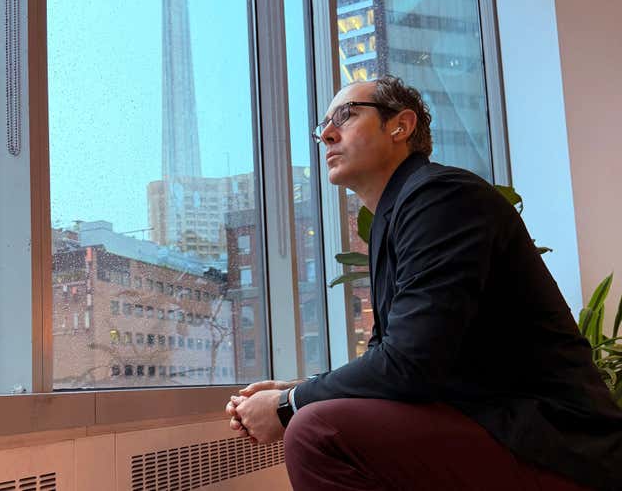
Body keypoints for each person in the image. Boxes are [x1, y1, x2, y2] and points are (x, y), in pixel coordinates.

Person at [225, 76, 622, 491]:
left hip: (556, 443)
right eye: (323, 125)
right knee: (320, 419)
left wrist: (290, 405)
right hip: (491, 424)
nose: (326, 133)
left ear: (401, 125)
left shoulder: (441, 197)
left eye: (346, 115)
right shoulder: (394, 218)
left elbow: (409, 365)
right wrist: (300, 387)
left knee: (316, 431)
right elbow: (390, 353)